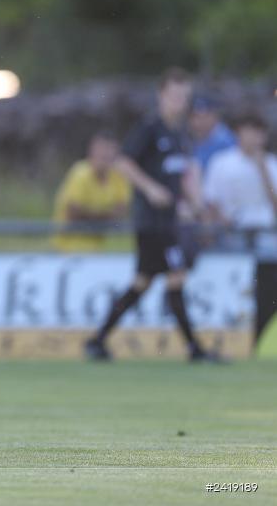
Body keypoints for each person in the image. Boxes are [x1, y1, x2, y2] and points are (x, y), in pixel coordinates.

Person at [85, 68, 216, 362]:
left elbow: (185, 174)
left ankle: (97, 340)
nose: (179, 102)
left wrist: (195, 203)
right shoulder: (149, 128)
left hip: (169, 221)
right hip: (151, 222)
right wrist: (150, 189)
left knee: (143, 283)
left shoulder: (180, 134)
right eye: (174, 96)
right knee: (175, 276)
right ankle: (194, 348)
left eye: (184, 96)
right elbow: (123, 162)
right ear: (161, 96)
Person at [203, 112, 277, 353]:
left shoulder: (272, 164)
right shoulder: (222, 162)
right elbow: (211, 202)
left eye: (258, 132)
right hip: (233, 238)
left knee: (265, 294)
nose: (253, 137)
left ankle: (257, 341)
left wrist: (263, 170)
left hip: (267, 240)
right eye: (249, 131)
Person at [52, 131, 130, 252]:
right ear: (91, 151)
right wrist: (106, 218)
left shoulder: (118, 176)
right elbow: (73, 213)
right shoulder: (80, 173)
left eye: (110, 150)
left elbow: (121, 213)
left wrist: (90, 216)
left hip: (104, 249)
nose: (106, 154)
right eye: (102, 150)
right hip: (69, 248)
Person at [188, 94, 236, 173]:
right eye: (196, 117)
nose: (201, 122)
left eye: (205, 116)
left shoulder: (226, 141)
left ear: (215, 116)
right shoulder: (187, 137)